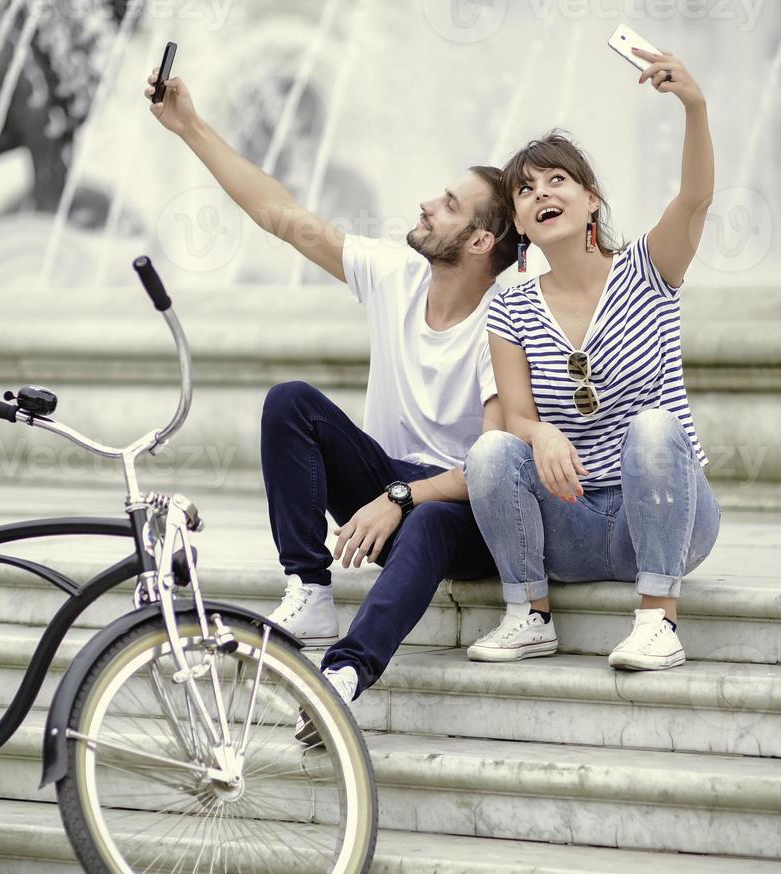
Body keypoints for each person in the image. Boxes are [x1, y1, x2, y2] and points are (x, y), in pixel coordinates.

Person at [144, 68, 517, 730]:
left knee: (429, 521)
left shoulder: (505, 320)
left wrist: (401, 497)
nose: (428, 205)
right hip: (382, 496)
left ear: (483, 242)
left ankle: (342, 676)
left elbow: (491, 470)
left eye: (450, 205)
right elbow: (282, 218)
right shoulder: (396, 275)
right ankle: (309, 586)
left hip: (461, 514)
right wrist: (189, 127)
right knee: (290, 402)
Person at [464, 46, 719, 671]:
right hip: (571, 525)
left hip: (662, 517)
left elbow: (695, 198)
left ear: (591, 200)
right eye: (525, 190)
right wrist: (541, 434)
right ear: (520, 222)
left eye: (557, 181)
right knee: (491, 450)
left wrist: (694, 105)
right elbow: (515, 416)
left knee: (654, 425)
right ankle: (529, 614)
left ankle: (659, 620)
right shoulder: (511, 306)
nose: (541, 194)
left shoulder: (648, 267)